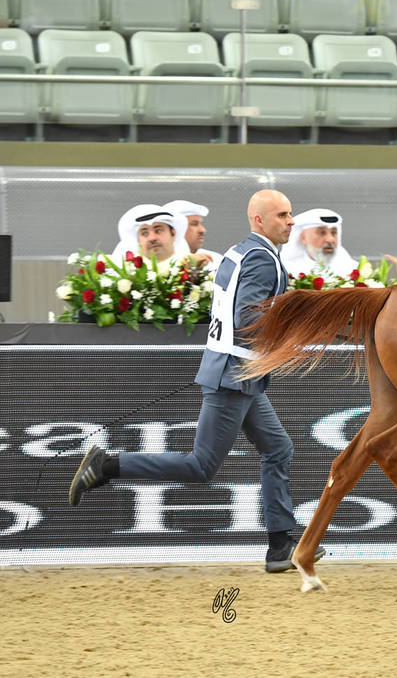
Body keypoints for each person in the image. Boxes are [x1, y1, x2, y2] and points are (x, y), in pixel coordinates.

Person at [70, 189, 325, 572]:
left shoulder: (239, 252)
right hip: (235, 373)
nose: (291, 221)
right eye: (282, 215)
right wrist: (293, 326)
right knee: (201, 466)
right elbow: (247, 318)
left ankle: (280, 546)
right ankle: (106, 466)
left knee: (278, 448)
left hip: (236, 370)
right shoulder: (263, 259)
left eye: (291, 214)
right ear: (259, 220)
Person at [280, 208, 359, 279]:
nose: (330, 239)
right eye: (322, 233)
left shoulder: (352, 269)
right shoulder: (287, 270)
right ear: (303, 238)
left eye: (334, 233)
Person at [111, 203, 190, 273]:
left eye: (158, 231)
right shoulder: (129, 275)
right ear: (138, 241)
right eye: (145, 233)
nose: (152, 238)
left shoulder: (191, 268)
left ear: (173, 233)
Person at [163, 200, 223, 270]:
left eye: (201, 224)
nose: (202, 230)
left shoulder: (216, 260)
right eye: (194, 224)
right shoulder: (157, 264)